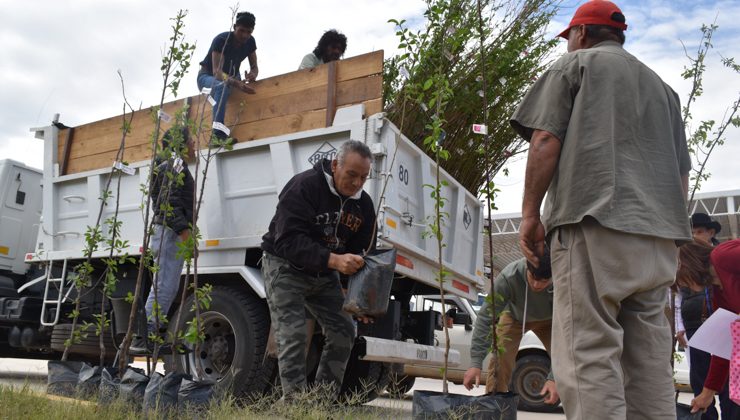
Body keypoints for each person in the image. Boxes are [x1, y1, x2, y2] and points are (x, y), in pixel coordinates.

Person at [511, 1, 692, 418]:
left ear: (580, 34)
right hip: (658, 240)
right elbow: (680, 175)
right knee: (648, 361)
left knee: (588, 352)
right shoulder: (665, 90)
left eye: (568, 39)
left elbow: (544, 141)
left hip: (595, 224)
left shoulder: (574, 67)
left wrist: (530, 214)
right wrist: (670, 231)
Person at [261, 140, 376, 399]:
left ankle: (321, 404)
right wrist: (334, 261)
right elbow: (287, 240)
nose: (357, 183)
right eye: (352, 175)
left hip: (323, 276)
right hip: (285, 266)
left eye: (364, 178)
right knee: (293, 337)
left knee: (345, 330)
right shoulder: (304, 186)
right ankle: (294, 407)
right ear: (336, 165)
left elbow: (361, 250)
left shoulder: (364, 205)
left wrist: (356, 296)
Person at [131, 127, 195, 353]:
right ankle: (144, 335)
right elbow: (168, 201)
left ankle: (149, 332)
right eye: (191, 140)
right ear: (181, 143)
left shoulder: (166, 161)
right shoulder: (173, 162)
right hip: (169, 231)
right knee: (165, 284)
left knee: (166, 283)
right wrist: (185, 233)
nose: (193, 144)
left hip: (167, 230)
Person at [463, 255, 559, 406]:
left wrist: (554, 377)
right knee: (500, 359)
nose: (536, 284)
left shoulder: (564, 279)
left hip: (551, 320)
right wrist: (475, 362)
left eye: (544, 281)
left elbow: (568, 339)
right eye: (532, 277)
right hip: (514, 316)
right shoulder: (509, 276)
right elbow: (485, 317)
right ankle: (494, 408)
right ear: (527, 267)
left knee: (569, 360)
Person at [683, 239, 740, 417]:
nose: (682, 286)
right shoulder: (719, 295)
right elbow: (723, 346)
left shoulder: (722, 256)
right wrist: (707, 393)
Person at [197, 11, 258, 139]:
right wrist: (237, 83)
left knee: (235, 86)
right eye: (241, 31)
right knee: (221, 86)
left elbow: (254, 67)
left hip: (232, 78)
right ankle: (217, 134)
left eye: (249, 32)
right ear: (235, 27)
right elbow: (217, 72)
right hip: (207, 78)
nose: (245, 35)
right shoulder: (221, 40)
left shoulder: (250, 42)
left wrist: (253, 74)